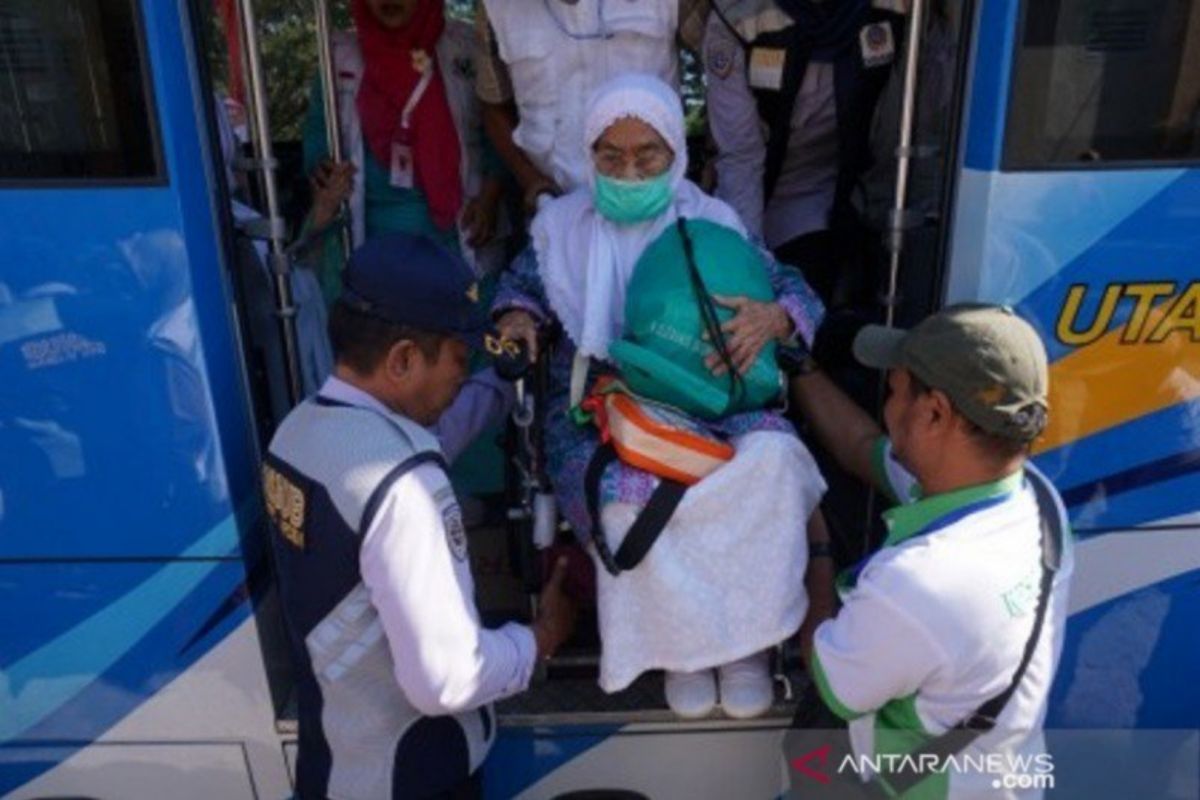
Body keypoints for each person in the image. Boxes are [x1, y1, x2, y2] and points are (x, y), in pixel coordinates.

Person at [494, 73, 829, 720]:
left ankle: (746, 648)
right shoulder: (559, 228)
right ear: (589, 155)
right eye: (611, 157)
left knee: (774, 463)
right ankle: (680, 651)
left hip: (719, 399)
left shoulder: (714, 222)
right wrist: (514, 319)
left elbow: (796, 290)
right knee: (626, 499)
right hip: (601, 405)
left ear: (677, 153)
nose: (629, 171)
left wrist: (773, 317)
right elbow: (517, 294)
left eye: (648, 156)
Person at [263, 233, 576, 799]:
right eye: (460, 357)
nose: (464, 373)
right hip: (411, 780)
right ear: (403, 358)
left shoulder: (299, 432)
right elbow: (447, 680)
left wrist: (500, 387)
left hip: (337, 766)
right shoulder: (406, 488)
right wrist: (542, 638)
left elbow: (427, 435)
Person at [789, 303, 1074, 799]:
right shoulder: (1038, 501)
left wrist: (815, 544)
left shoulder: (920, 584)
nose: (887, 403)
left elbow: (827, 670)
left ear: (937, 412)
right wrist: (799, 364)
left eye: (895, 390)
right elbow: (861, 447)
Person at [302, 0, 508, 305]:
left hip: (457, 241)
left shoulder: (464, 47)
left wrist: (490, 197)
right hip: (373, 250)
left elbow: (498, 130)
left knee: (459, 342)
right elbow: (318, 135)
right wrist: (321, 169)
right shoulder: (339, 57)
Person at [704, 0, 902, 304]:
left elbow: (907, 124)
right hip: (760, 194)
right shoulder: (736, 13)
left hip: (844, 191)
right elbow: (740, 155)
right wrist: (747, 267)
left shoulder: (898, 9)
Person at [473, 0, 710, 208]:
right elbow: (493, 102)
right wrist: (532, 182)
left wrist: (714, 158)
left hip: (656, 202)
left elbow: (723, 67)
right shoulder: (496, 6)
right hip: (554, 208)